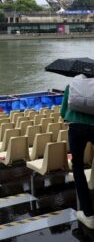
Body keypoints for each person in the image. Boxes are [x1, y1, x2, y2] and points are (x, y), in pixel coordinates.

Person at [61, 78, 94, 229]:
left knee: (78, 167)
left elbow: (63, 112)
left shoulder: (72, 85)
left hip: (76, 128)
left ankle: (88, 214)